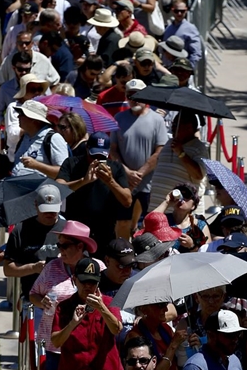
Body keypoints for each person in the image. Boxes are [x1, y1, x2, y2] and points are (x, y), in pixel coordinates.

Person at [30, 220, 103, 370]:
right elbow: (34, 293)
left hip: (87, 341)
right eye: (58, 244)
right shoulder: (52, 267)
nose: (59, 250)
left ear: (80, 247)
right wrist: (40, 301)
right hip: (55, 340)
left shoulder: (98, 269)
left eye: (64, 245)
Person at [56, 130, 133, 255]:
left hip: (103, 234)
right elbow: (58, 190)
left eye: (101, 157)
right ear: (86, 148)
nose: (96, 160)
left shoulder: (116, 168)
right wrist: (83, 181)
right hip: (75, 233)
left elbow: (127, 201)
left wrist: (110, 181)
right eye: (93, 156)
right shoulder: (71, 163)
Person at [109, 80, 169, 217]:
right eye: (130, 95)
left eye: (138, 95)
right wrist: (127, 172)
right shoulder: (118, 118)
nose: (135, 99)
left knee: (150, 222)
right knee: (122, 222)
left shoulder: (157, 120)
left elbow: (159, 151)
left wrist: (139, 174)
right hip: (124, 183)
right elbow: (113, 149)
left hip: (149, 185)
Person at [2, 182, 66, 300]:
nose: (49, 214)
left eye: (53, 210)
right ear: (36, 205)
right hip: (32, 298)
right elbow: (8, 269)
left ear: (60, 205)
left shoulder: (68, 229)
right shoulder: (21, 231)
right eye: (45, 210)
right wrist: (34, 268)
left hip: (63, 300)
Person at [149, 110, 210, 211]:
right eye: (173, 123)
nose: (172, 127)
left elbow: (198, 175)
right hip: (157, 208)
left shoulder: (199, 148)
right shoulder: (169, 143)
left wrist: (181, 153)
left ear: (189, 127)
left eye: (177, 124)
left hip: (181, 214)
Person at [11, 100, 69, 178]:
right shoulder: (25, 136)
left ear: (34, 120)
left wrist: (37, 165)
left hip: (40, 188)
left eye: (22, 114)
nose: (18, 117)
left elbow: (63, 172)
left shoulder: (54, 138)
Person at [163, 1, 203, 67]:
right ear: (172, 10)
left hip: (181, 70)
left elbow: (196, 52)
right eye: (176, 11)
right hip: (167, 69)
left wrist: (188, 69)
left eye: (182, 11)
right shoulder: (168, 28)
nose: (179, 13)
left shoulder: (191, 28)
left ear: (186, 10)